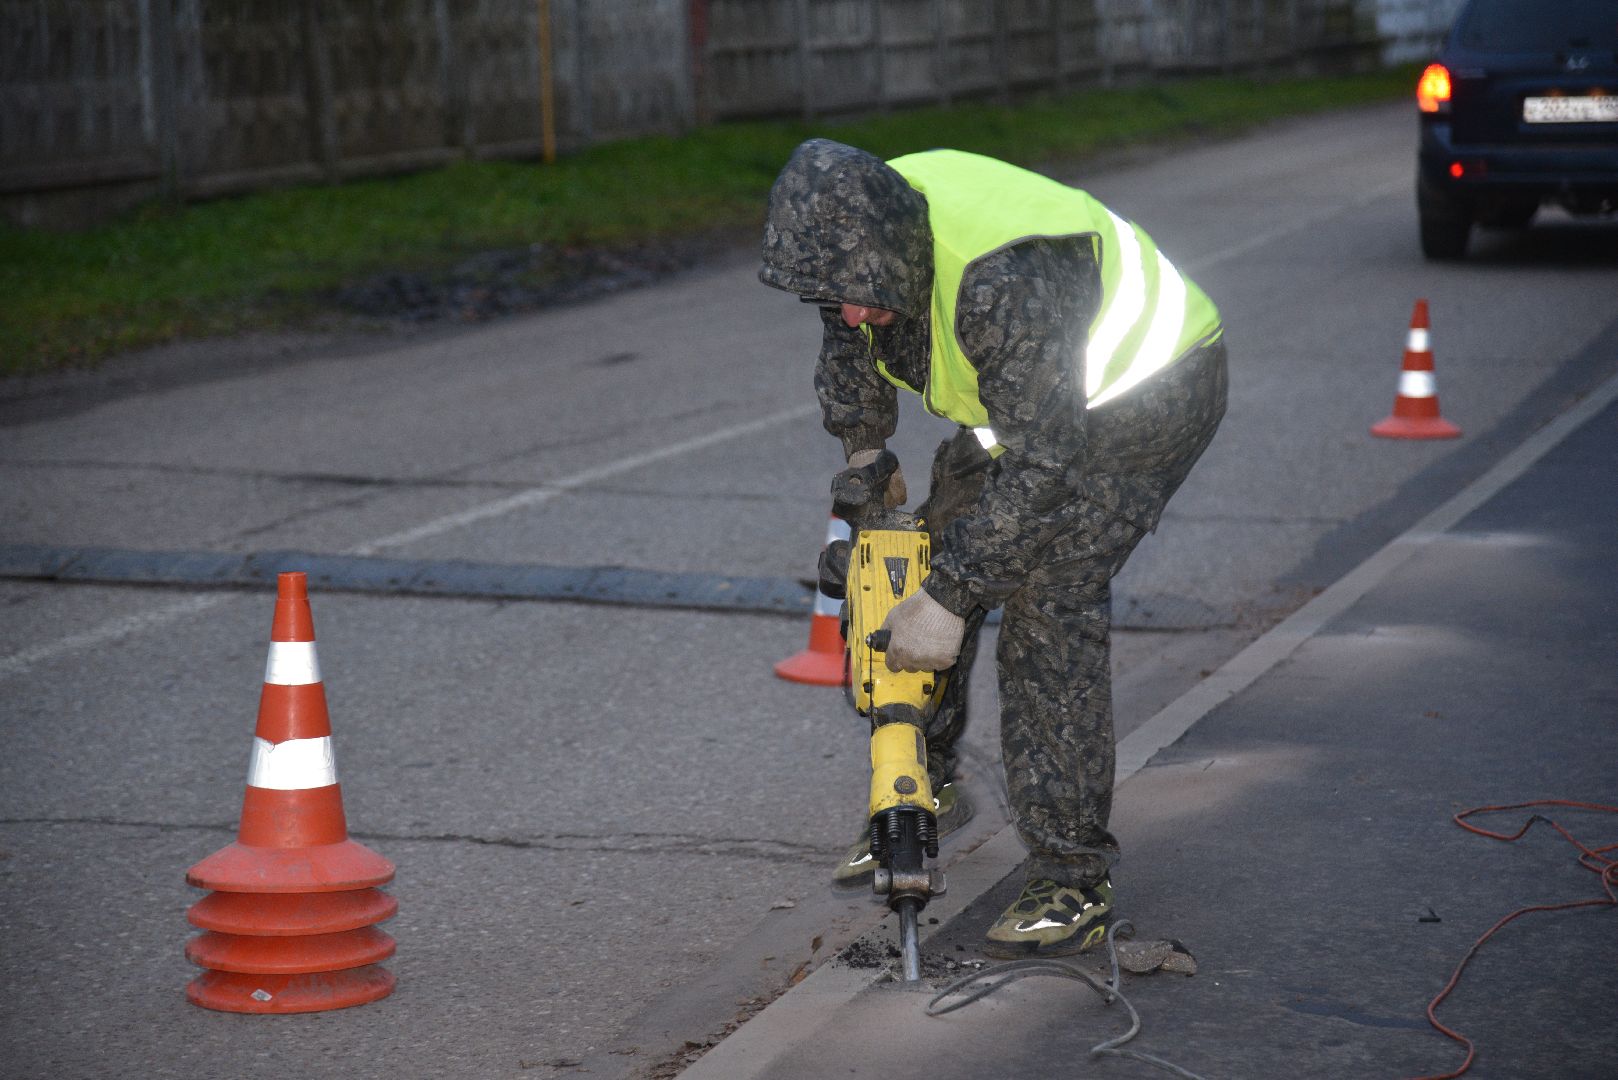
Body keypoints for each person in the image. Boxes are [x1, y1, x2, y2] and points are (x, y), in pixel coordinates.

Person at [759, 139, 1228, 957]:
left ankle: (1072, 877)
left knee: (1047, 597)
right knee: (913, 563)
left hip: (1149, 399)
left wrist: (952, 594)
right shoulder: (859, 239)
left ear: (897, 256)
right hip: (1037, 409)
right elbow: (851, 350)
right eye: (837, 299)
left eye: (865, 299)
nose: (855, 314)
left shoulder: (1000, 279)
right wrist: (867, 470)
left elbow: (1046, 464)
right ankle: (915, 792)